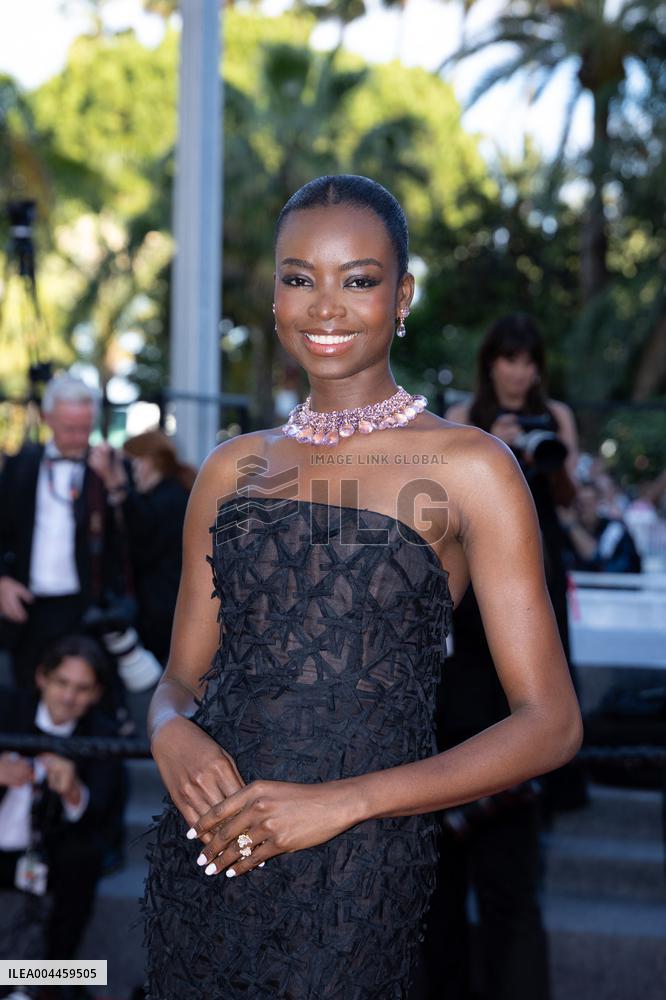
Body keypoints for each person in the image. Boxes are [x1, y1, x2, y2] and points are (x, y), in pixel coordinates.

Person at [142, 175, 582, 1000]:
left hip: (355, 865)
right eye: (299, 277)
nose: (325, 306)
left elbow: (551, 724)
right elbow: (181, 680)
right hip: (209, 848)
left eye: (359, 279)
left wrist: (346, 803)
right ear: (274, 295)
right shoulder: (230, 468)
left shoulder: (472, 467)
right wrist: (169, 731)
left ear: (403, 293)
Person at [0, 634, 125, 991]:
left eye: (82, 689)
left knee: (84, 859)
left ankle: (51, 979)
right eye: (62, 683)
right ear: (42, 677)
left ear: (97, 694)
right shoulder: (6, 708)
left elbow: (102, 819)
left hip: (49, 856)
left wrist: (73, 792)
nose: (69, 697)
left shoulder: (105, 734)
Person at [0, 375, 126, 689]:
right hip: (28, 609)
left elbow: (135, 541)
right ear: (48, 420)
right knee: (24, 699)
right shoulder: (20, 467)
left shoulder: (106, 467)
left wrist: (116, 487)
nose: (79, 437)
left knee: (83, 698)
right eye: (70, 428)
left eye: (85, 428)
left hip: (84, 609)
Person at [88, 430, 196, 664]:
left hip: (162, 612)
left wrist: (117, 487)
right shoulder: (167, 493)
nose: (130, 469)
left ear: (149, 461)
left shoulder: (171, 497)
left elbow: (143, 543)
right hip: (162, 608)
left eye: (132, 461)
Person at [560, 481, 641, 574]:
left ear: (598, 503)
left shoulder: (615, 529)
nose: (583, 509)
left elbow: (595, 559)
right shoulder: (565, 531)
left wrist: (572, 526)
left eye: (588, 503)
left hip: (618, 585)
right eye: (580, 503)